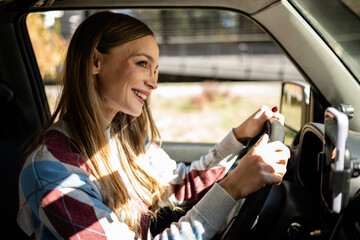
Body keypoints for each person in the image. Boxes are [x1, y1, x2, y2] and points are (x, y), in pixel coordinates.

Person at [17, 11, 290, 240]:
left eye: (155, 69)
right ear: (96, 62)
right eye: (142, 64)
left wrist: (240, 137)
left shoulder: (123, 136)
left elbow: (178, 186)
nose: (154, 82)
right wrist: (233, 188)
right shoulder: (50, 171)